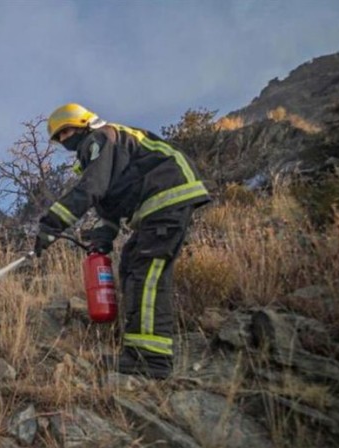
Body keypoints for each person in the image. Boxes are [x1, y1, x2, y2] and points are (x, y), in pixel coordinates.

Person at [34, 103, 211, 379]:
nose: (64, 139)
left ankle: (152, 359)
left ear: (82, 124)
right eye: (59, 137)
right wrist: (103, 237)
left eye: (66, 131)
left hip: (167, 195)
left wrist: (51, 224)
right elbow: (109, 203)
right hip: (156, 205)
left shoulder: (101, 137)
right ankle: (137, 351)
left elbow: (91, 188)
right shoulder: (102, 149)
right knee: (130, 267)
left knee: (146, 274)